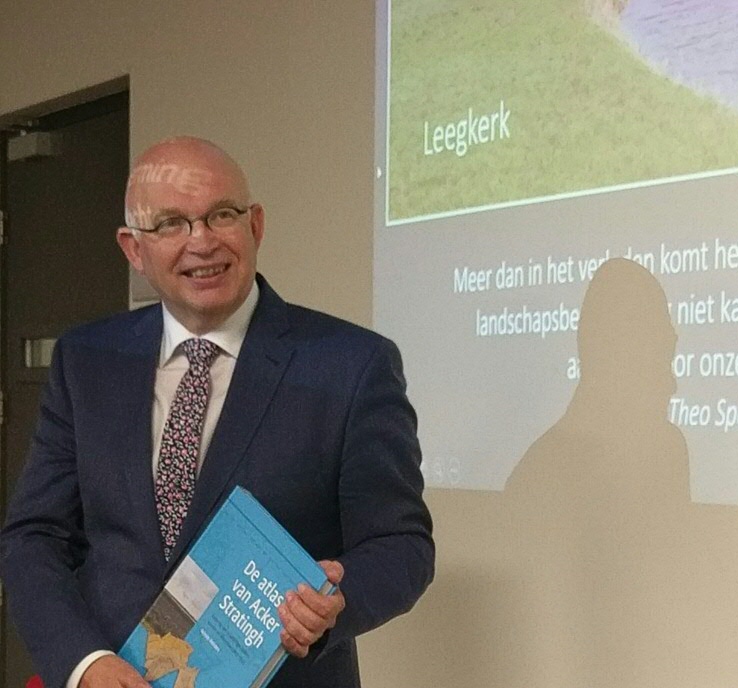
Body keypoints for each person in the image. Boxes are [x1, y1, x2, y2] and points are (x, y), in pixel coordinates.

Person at [0, 137, 435, 688]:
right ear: (133, 249)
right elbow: (34, 538)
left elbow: (402, 546)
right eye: (171, 224)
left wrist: (338, 601)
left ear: (255, 225)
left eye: (220, 215)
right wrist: (85, 663)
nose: (201, 242)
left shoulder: (351, 365)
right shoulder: (86, 360)